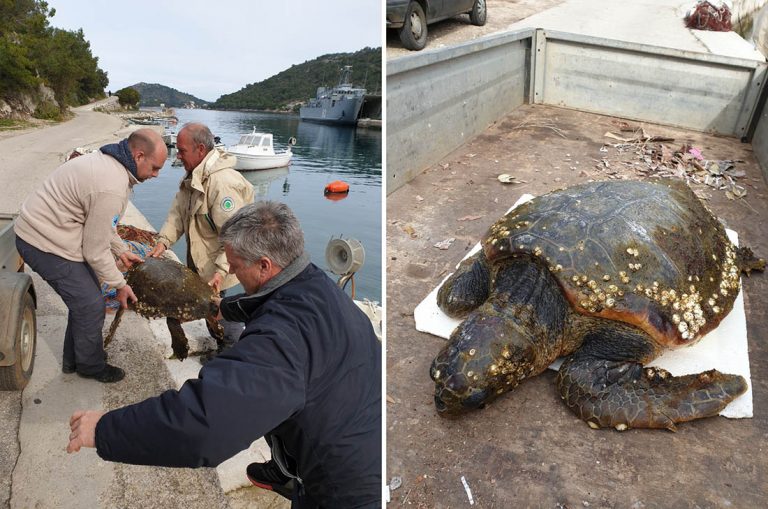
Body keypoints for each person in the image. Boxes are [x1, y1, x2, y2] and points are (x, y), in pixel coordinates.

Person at [67, 201, 382, 508]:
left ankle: (294, 476)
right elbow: (269, 302)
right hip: (362, 433)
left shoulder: (280, 342)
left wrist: (106, 430)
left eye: (235, 264)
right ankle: (285, 469)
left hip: (344, 488)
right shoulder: (317, 286)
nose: (229, 269)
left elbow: (205, 422)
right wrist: (224, 308)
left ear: (264, 265)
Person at [14, 128, 167, 383]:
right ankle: (90, 366)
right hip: (42, 240)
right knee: (90, 304)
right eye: (154, 167)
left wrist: (122, 251)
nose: (156, 174)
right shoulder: (111, 186)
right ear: (139, 156)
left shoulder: (112, 165)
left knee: (86, 297)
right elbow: (95, 251)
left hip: (57, 233)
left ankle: (73, 359)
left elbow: (104, 226)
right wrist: (120, 284)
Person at [148, 122, 254, 359]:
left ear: (200, 149)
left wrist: (221, 271)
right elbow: (177, 214)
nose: (179, 155)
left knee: (226, 315)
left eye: (182, 150)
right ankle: (221, 352)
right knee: (210, 311)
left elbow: (236, 235)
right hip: (202, 266)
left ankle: (232, 361)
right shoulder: (193, 178)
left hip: (224, 267)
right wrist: (163, 242)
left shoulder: (222, 184)